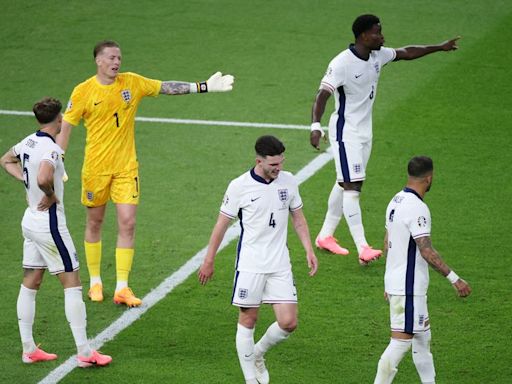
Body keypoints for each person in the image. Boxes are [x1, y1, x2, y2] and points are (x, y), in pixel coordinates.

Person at [57, 40, 234, 307]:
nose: (117, 62)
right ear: (99, 60)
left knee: (128, 222)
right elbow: (66, 128)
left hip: (127, 168)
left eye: (119, 57)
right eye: (112, 57)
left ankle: (122, 287)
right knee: (95, 222)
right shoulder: (83, 91)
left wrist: (204, 86)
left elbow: (165, 87)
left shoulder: (132, 83)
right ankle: (94, 281)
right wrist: (57, 161)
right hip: (95, 169)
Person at [310, 14, 460, 264]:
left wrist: (439, 47)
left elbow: (407, 52)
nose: (382, 36)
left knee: (344, 182)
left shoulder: (377, 55)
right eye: (377, 32)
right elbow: (322, 94)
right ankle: (362, 247)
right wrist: (315, 125)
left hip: (365, 132)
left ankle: (325, 235)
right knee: (353, 187)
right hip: (346, 133)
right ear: (362, 36)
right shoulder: (342, 63)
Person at [0, 97, 112, 367]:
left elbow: (6, 160)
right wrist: (48, 193)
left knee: (32, 279)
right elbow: (44, 176)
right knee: (72, 282)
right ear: (58, 119)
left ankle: (28, 349)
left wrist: (23, 179)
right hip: (49, 223)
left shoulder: (28, 141)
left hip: (30, 220)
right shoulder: (52, 149)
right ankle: (85, 352)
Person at [198, 135, 318, 384]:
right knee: (248, 319)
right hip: (251, 263)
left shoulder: (288, 181)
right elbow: (221, 225)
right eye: (273, 165)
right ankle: (251, 379)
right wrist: (209, 260)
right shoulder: (239, 186)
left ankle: (257, 354)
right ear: (259, 161)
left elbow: (298, 218)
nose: (278, 168)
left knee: (288, 322)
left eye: (281, 163)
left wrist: (308, 249)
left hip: (279, 263)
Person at [373, 156, 471, 383]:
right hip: (408, 288)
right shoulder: (418, 208)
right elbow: (426, 250)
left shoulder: (395, 200)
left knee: (422, 341)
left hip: (403, 285)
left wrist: (389, 281)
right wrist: (455, 279)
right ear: (429, 178)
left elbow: (388, 242)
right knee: (400, 343)